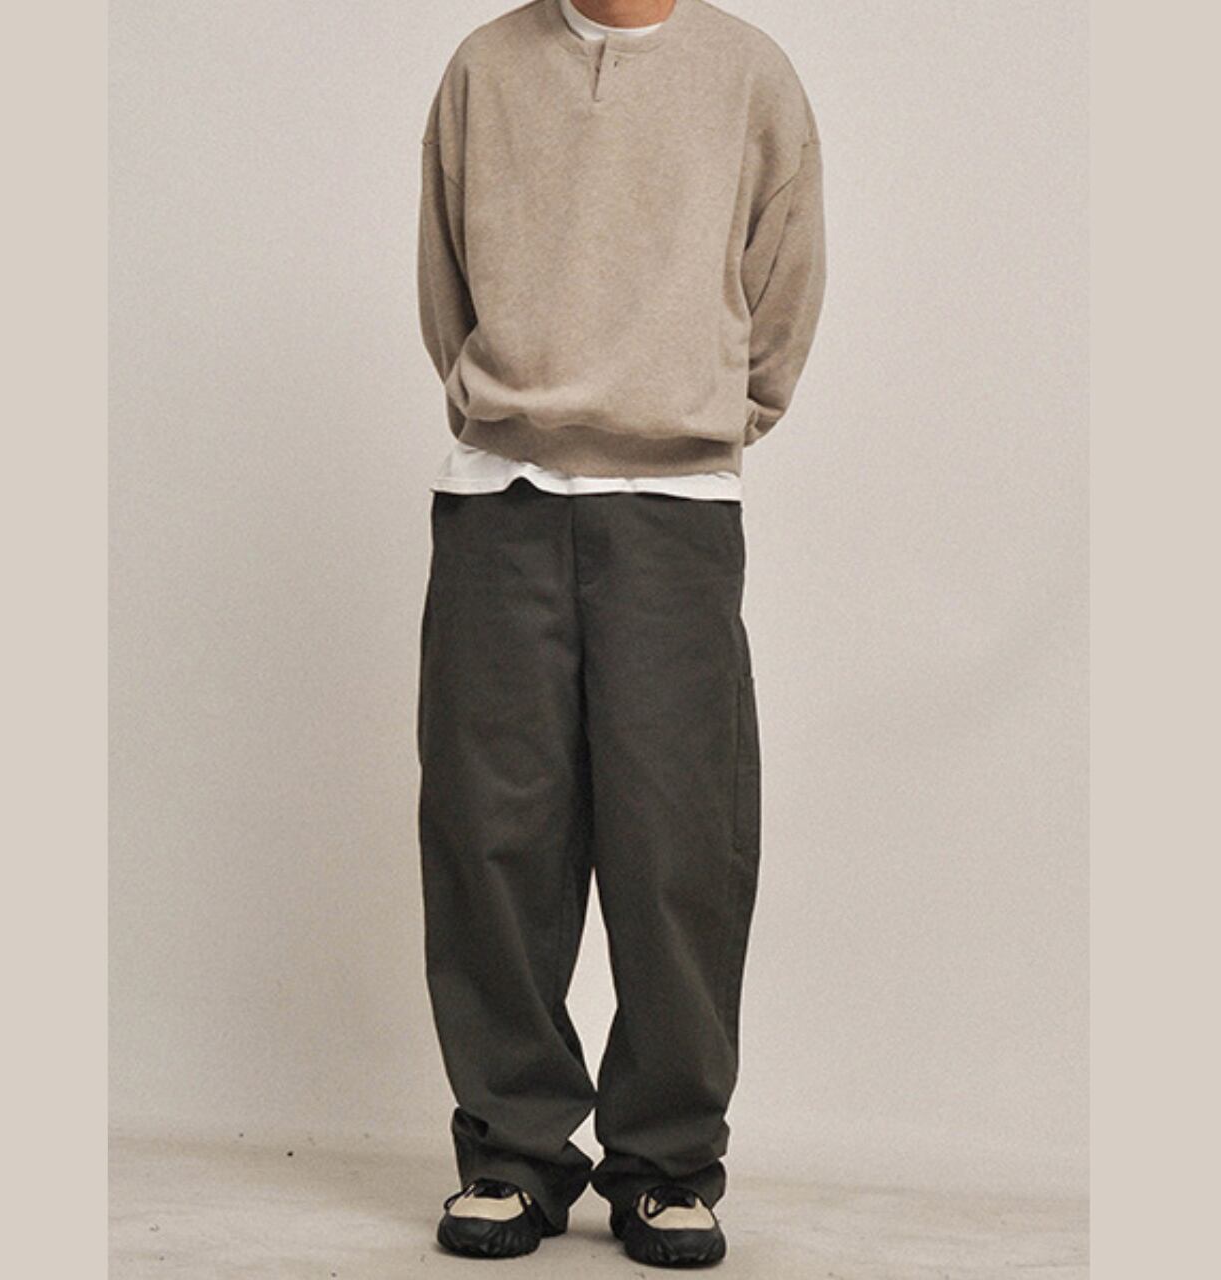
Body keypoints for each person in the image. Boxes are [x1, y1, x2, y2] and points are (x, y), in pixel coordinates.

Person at [414, 0, 826, 1266]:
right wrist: (510, 407)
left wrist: (698, 417)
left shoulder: (748, 75)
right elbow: (444, 285)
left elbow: (783, 290)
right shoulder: (484, 68)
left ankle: (665, 1159)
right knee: (490, 831)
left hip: (673, 507)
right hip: (501, 498)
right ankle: (513, 1150)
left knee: (676, 838)